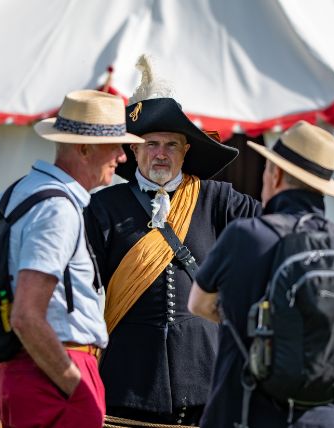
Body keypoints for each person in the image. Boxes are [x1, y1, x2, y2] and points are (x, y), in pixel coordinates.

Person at [0, 90, 144, 428]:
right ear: (84, 148)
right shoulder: (57, 209)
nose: (122, 157)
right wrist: (72, 383)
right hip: (55, 376)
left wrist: (2, 331)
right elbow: (26, 315)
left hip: (28, 369)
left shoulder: (21, 190)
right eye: (115, 145)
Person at [84, 56, 262, 424]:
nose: (160, 153)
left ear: (186, 151)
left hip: (205, 371)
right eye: (150, 144)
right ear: (132, 151)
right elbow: (80, 282)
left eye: (171, 144)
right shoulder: (103, 207)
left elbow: (271, 232)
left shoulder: (218, 199)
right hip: (129, 376)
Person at [187, 121, 334, 427]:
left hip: (248, 410)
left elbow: (197, 304)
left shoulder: (246, 235)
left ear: (275, 174)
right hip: (325, 415)